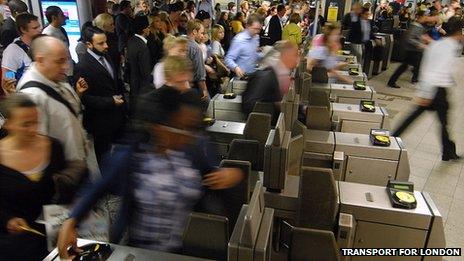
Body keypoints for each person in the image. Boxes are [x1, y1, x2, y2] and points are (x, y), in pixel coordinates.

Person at [57, 61, 244, 257]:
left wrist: (232, 174)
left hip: (186, 248)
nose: (188, 134)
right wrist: (71, 220)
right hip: (142, 251)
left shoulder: (192, 147)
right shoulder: (133, 156)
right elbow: (98, 187)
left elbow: (212, 174)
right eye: (181, 128)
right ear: (160, 129)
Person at [0, 94, 80, 260]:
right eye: (25, 125)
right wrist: (7, 219)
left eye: (36, 122)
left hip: (54, 235)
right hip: (14, 244)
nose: (33, 129)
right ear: (8, 124)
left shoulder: (53, 146)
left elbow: (66, 187)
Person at [394, 17, 464, 161]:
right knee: (434, 120)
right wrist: (426, 93)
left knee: (441, 121)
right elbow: (434, 71)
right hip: (436, 90)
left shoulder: (440, 45)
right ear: (458, 32)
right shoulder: (448, 47)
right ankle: (393, 137)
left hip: (437, 89)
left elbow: (427, 68)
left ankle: (448, 152)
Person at [75, 26, 127, 167]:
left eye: (106, 41)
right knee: (105, 157)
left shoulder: (107, 56)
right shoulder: (82, 66)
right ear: (88, 44)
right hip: (100, 121)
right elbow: (85, 97)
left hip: (118, 116)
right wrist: (110, 101)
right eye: (101, 43)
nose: (106, 46)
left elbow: (115, 82)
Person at [242, 40, 299, 115]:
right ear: (286, 55)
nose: (297, 58)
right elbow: (249, 105)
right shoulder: (264, 77)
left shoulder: (284, 75)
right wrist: (276, 105)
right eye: (295, 55)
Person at [387, 10, 432, 88]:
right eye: (425, 16)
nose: (426, 18)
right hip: (413, 50)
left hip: (415, 50)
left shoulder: (420, 25)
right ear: (420, 16)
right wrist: (419, 44)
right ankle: (393, 81)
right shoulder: (415, 26)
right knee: (406, 66)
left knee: (410, 66)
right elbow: (409, 38)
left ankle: (394, 81)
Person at [2, 13, 41, 93]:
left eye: (39, 27)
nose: (39, 30)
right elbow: (8, 78)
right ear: (23, 29)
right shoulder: (13, 51)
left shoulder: (40, 44)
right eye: (35, 28)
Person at [127, 15, 153, 115]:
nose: (149, 29)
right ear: (144, 29)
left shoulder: (131, 41)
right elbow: (145, 73)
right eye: (149, 27)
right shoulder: (142, 47)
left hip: (133, 86)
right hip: (142, 89)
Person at [225, 14, 263, 78]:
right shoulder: (239, 40)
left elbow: (253, 55)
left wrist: (263, 55)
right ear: (247, 26)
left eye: (259, 29)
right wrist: (236, 68)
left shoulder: (256, 37)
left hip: (252, 76)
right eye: (255, 29)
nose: (257, 31)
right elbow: (228, 59)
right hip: (240, 77)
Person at [42, 6, 74, 82]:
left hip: (68, 69)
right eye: (62, 15)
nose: (65, 17)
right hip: (61, 72)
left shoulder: (61, 29)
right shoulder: (48, 33)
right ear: (54, 18)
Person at [186, 19, 209, 100]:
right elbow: (200, 75)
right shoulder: (196, 48)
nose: (203, 36)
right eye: (202, 33)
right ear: (194, 31)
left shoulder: (179, 43)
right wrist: (204, 90)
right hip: (192, 87)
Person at [94, 13, 122, 77]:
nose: (114, 27)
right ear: (103, 26)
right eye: (111, 24)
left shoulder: (112, 37)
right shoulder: (99, 41)